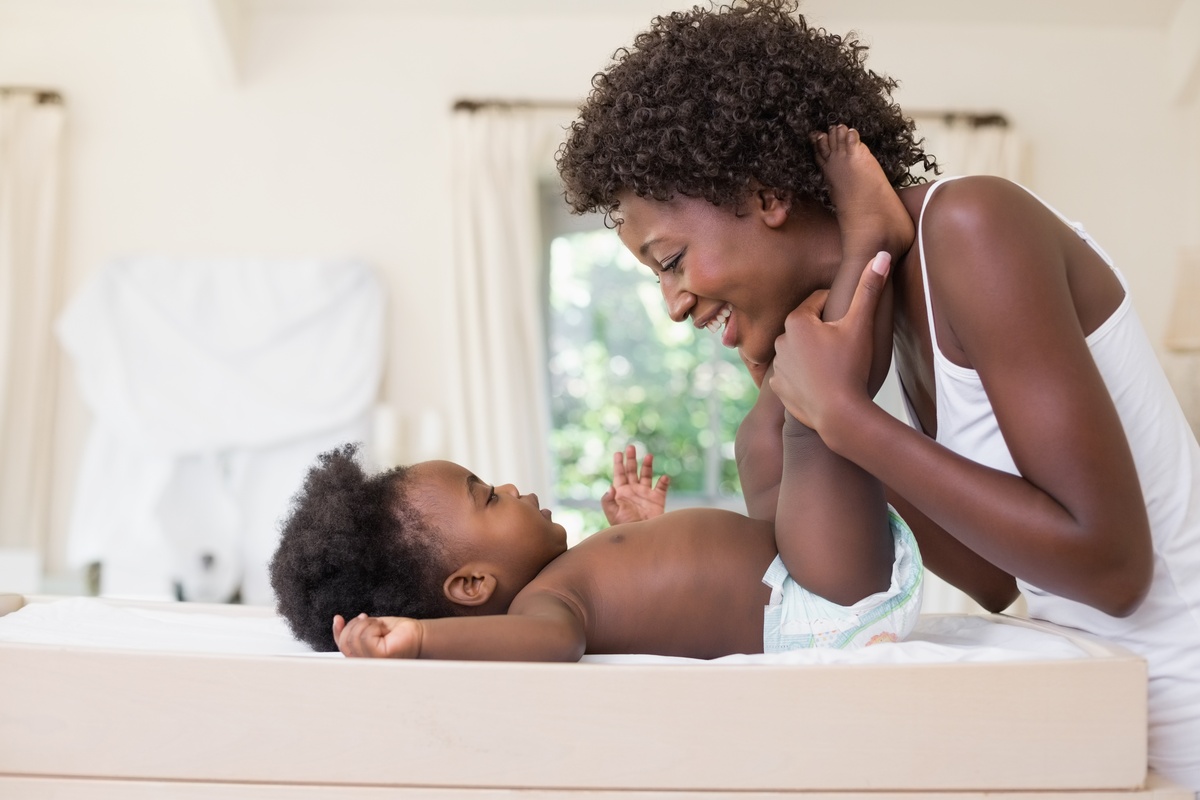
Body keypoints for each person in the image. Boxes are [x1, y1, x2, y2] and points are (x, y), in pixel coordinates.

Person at [554, 0, 1200, 790]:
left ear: (762, 195)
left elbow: (1113, 570)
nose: (674, 304)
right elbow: (999, 582)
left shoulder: (973, 226)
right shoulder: (893, 313)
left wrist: (850, 421)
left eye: (672, 260)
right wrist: (824, 416)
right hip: (1098, 708)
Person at [270, 406, 922, 659]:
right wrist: (416, 640)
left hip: (798, 565)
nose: (517, 489)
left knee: (760, 434)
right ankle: (856, 265)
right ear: (470, 585)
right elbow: (553, 643)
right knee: (813, 414)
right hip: (821, 606)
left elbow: (681, 594)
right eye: (490, 498)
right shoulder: (545, 608)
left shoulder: (572, 576)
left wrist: (647, 535)